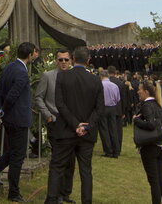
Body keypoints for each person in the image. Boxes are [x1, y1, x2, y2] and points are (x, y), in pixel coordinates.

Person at [45, 46, 104, 204]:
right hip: (86, 133)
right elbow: (99, 109)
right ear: (89, 60)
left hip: (66, 130)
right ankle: (87, 201)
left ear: (72, 59)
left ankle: (51, 200)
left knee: (57, 167)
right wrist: (85, 126)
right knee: (86, 170)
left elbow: (60, 104)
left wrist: (76, 124)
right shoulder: (96, 80)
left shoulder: (63, 77)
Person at [0, 42, 37, 203]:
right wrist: (2, 109)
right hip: (18, 118)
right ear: (30, 55)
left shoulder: (9, 67)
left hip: (9, 117)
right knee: (18, 156)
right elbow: (12, 94)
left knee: (11, 151)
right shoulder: (21, 72)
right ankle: (13, 192)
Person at [34, 48, 75, 203]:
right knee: (58, 159)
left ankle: (65, 193)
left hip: (71, 124)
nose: (63, 62)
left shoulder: (74, 77)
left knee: (70, 161)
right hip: (55, 122)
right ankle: (55, 194)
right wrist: (48, 115)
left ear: (70, 60)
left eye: (66, 59)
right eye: (60, 60)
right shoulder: (48, 76)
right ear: (56, 61)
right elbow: (38, 97)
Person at [133, 80, 162, 204]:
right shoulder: (158, 105)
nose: (138, 91)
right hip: (160, 146)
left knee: (154, 181)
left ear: (146, 91)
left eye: (140, 89)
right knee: (160, 179)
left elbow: (151, 124)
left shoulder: (147, 105)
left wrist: (136, 120)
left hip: (150, 147)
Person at [98, 70, 120, 158]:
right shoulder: (115, 86)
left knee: (104, 129)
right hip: (113, 107)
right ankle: (116, 150)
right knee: (113, 128)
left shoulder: (100, 85)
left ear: (101, 76)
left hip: (103, 108)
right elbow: (118, 99)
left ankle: (108, 151)